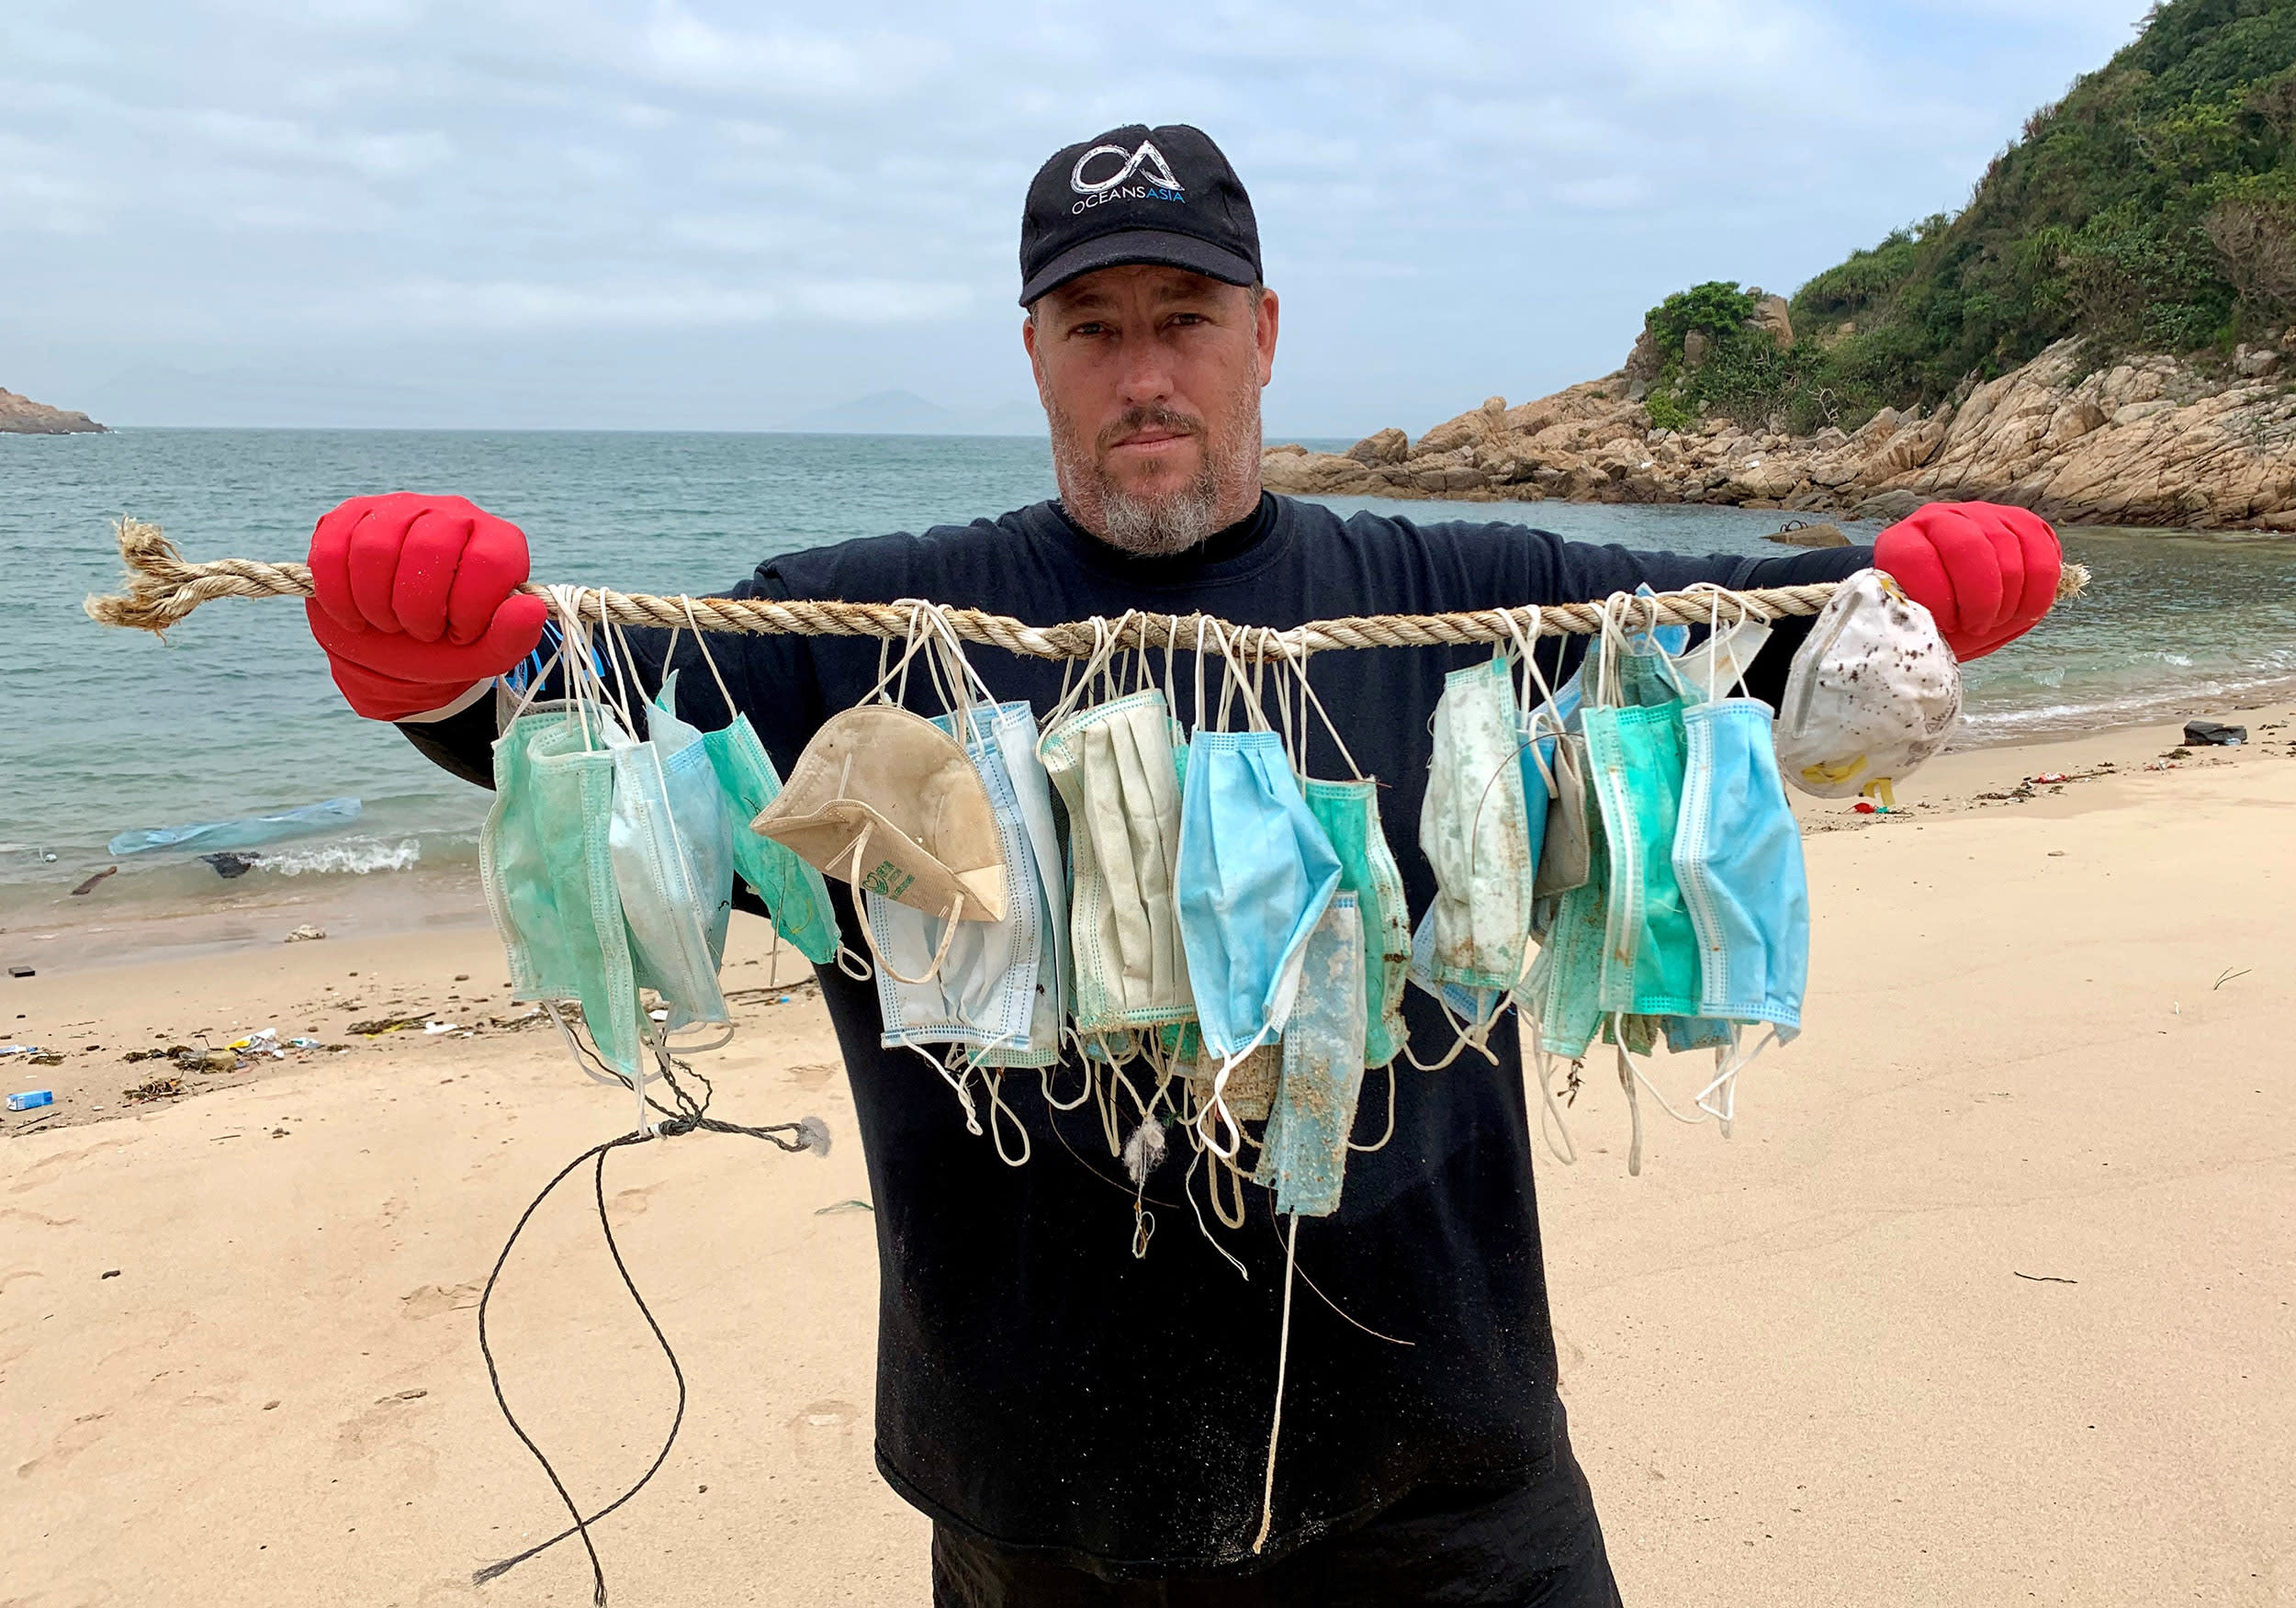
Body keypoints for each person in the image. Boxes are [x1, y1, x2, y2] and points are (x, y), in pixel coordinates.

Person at [299, 125, 2060, 1606]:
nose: (1145, 372)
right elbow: (572, 714)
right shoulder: (852, 622)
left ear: (1266, 335)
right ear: (1034, 351)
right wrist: (432, 665)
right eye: (1092, 326)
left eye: (1186, 319)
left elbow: (1751, 643)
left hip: (1454, 1470)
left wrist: (1915, 589)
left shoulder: (1461, 600)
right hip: (1037, 1487)